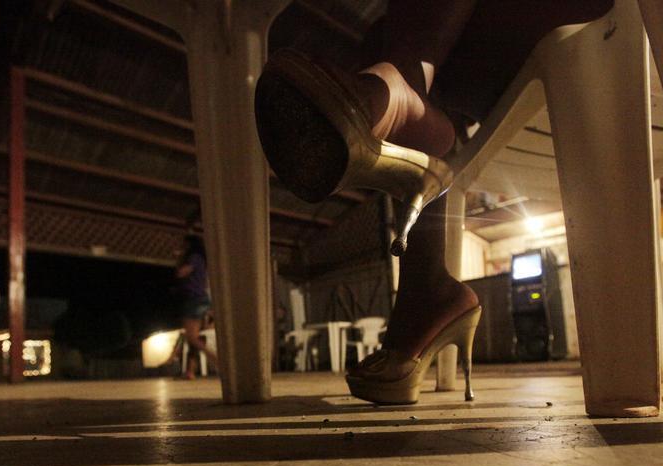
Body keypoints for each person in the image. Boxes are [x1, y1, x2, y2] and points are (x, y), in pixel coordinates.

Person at [254, 0, 613, 404]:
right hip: (519, 60)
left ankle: (409, 105)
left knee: (393, 41)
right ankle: (407, 99)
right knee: (393, 39)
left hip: (614, 27)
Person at [174, 235, 218, 379]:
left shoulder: (193, 257)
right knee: (194, 337)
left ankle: (218, 361)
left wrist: (179, 259)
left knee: (191, 337)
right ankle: (190, 372)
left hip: (193, 299)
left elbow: (181, 273)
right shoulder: (201, 259)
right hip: (201, 299)